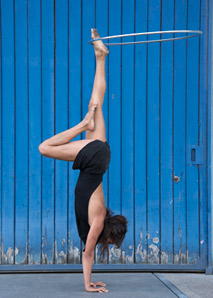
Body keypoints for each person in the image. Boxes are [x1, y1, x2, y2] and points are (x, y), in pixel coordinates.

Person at [39, 28, 128, 293]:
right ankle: (83, 123)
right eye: (111, 243)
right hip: (93, 159)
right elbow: (87, 253)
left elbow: (90, 249)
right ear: (108, 234)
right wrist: (88, 285)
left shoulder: (101, 216)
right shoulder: (97, 222)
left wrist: (91, 279)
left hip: (100, 158)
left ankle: (100, 56)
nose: (108, 245)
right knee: (44, 148)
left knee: (95, 101)